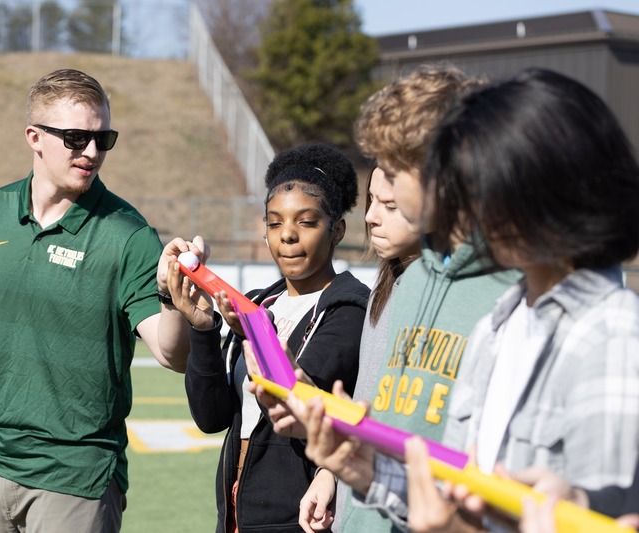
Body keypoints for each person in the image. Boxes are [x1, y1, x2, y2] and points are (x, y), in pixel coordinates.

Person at [0, 68, 199, 532]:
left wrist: (172, 300)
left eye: (103, 138)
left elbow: (172, 354)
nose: (92, 152)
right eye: (76, 138)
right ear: (34, 137)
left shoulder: (129, 235)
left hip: (77, 478)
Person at [267, 65, 520, 533]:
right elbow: (391, 430)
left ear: (443, 170)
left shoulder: (517, 295)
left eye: (396, 169)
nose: (383, 189)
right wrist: (325, 430)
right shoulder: (413, 281)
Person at [401, 68, 639, 532]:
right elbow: (468, 504)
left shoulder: (612, 333)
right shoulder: (496, 326)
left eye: (493, 186)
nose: (478, 207)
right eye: (472, 187)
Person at [166, 142, 371, 532]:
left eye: (306, 222)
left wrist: (256, 333)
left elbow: (288, 399)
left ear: (337, 230)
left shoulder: (349, 309)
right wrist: (204, 327)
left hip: (298, 518)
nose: (287, 236)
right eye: (275, 223)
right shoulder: (261, 303)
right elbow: (211, 417)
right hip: (236, 512)